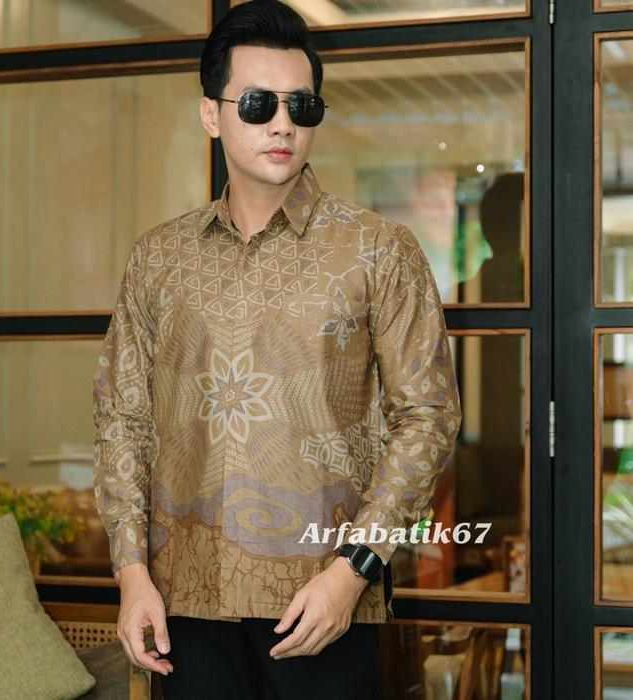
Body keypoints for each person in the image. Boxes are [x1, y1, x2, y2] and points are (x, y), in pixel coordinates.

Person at [91, 1, 462, 698]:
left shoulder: (378, 250)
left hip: (320, 603)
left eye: (302, 105)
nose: (283, 123)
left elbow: (429, 416)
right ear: (212, 114)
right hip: (183, 603)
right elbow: (123, 419)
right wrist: (131, 573)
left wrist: (354, 572)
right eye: (259, 104)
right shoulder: (159, 258)